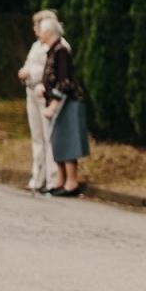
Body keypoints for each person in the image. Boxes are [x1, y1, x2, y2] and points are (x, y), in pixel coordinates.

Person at [37, 14, 87, 197]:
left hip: (67, 103)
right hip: (56, 103)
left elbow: (64, 81)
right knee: (57, 141)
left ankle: (72, 183)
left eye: (41, 31)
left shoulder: (61, 50)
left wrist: (54, 105)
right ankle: (60, 180)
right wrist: (44, 89)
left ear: (49, 32)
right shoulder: (51, 50)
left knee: (68, 141)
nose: (39, 35)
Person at [17, 9, 65, 194]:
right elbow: (29, 63)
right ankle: (37, 177)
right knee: (37, 137)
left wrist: (33, 74)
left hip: (45, 93)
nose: (35, 29)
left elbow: (51, 70)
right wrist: (24, 72)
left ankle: (52, 179)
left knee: (48, 137)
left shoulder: (57, 46)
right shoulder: (36, 45)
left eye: (38, 25)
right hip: (31, 92)